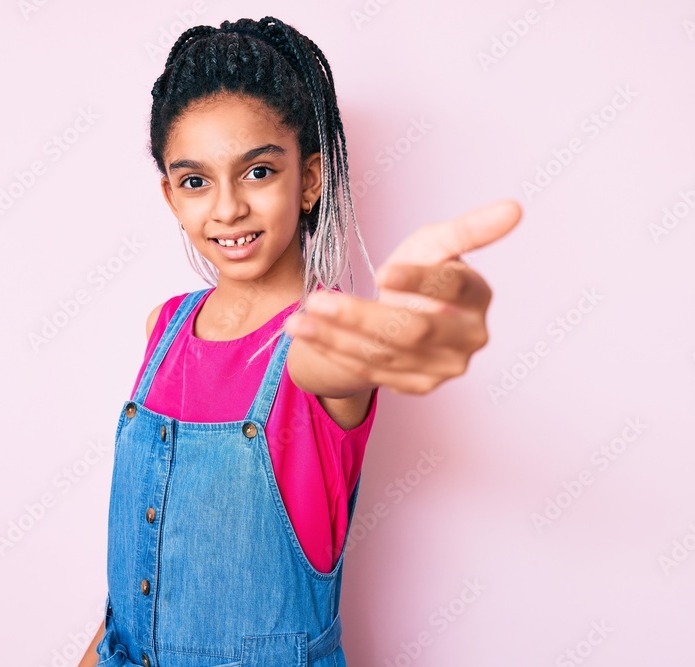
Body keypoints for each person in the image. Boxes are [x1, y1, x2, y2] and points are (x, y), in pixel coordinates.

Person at [78, 15, 521, 667]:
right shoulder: (163, 328)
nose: (226, 208)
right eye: (197, 181)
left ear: (309, 179)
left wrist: (406, 328)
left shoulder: (322, 335)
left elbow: (345, 355)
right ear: (172, 196)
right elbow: (131, 606)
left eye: (258, 172)